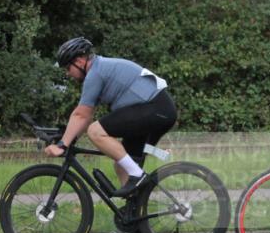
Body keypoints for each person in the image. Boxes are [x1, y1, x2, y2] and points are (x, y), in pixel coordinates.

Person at [45, 37, 177, 198]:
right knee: (122, 164)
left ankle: (138, 176)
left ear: (79, 61)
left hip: (155, 108)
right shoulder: (99, 68)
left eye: (68, 67)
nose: (67, 73)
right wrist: (68, 138)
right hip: (157, 110)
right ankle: (134, 214)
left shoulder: (96, 73)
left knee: (95, 131)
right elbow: (84, 118)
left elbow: (81, 115)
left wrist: (62, 145)